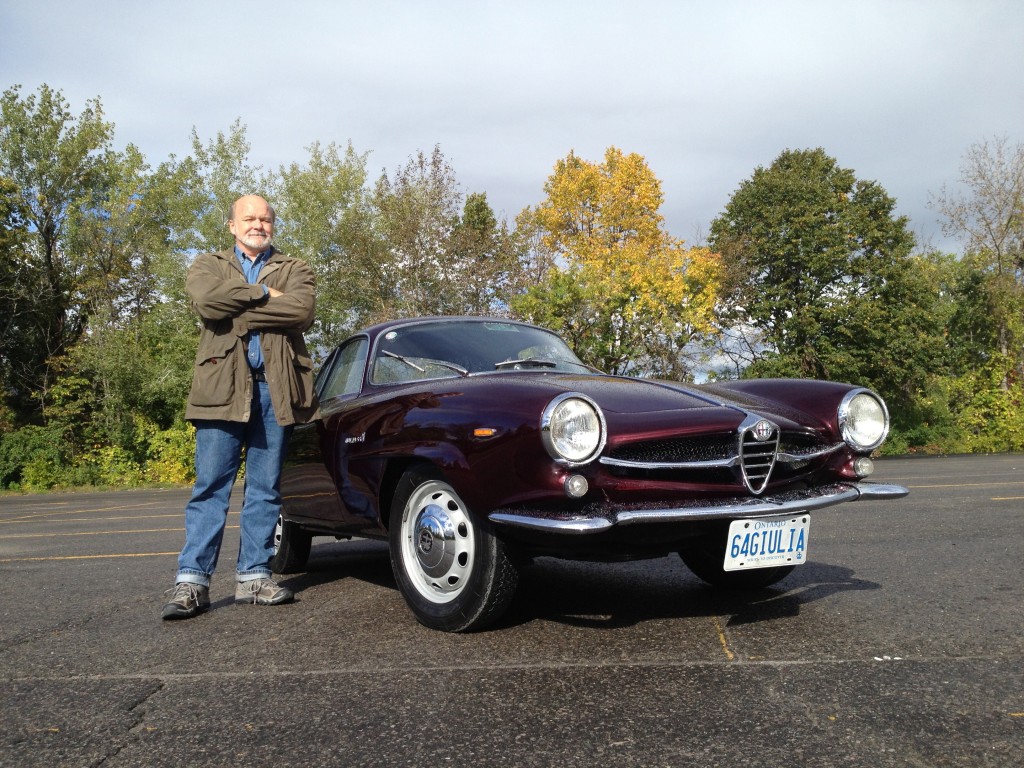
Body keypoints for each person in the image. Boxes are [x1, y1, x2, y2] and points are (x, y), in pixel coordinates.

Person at [161, 194, 320, 620]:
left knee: (265, 490)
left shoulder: (295, 268)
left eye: (265, 219)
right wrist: (263, 294)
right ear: (232, 225)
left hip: (276, 390)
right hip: (220, 391)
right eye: (249, 218)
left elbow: (300, 310)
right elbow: (207, 303)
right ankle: (192, 583)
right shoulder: (207, 265)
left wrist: (241, 313)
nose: (258, 224)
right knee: (211, 488)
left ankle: (254, 577)